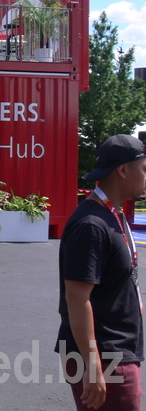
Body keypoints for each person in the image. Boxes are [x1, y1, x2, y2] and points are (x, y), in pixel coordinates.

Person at [56, 134, 146, 411]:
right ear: (123, 169)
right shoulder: (92, 225)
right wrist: (93, 364)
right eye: (143, 169)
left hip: (116, 351)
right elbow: (76, 299)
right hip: (106, 358)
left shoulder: (112, 215)